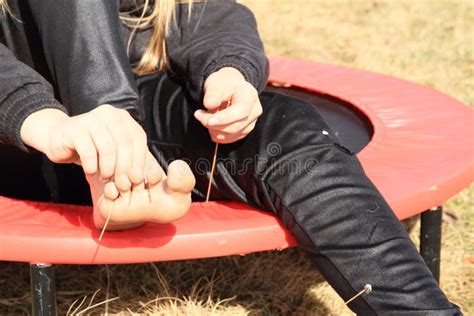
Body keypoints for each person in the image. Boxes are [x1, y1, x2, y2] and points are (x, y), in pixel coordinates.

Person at [0, 0, 462, 314]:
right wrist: (45, 120)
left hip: (138, 132)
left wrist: (229, 73)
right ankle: (112, 164)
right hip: (21, 139)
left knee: (285, 131)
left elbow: (206, 11)